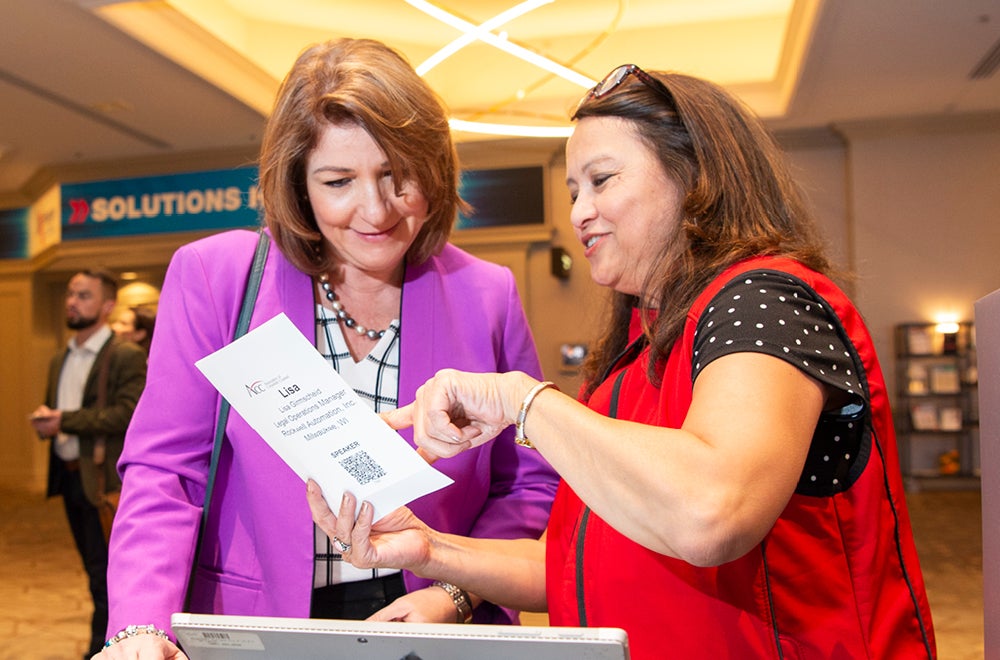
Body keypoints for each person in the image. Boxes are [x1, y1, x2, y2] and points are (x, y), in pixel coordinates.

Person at [309, 65, 938, 659]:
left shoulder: (761, 297)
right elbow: (569, 563)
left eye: (602, 181)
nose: (580, 212)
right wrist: (432, 550)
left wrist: (523, 402)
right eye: (574, 190)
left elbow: (711, 512)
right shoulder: (629, 362)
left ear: (695, 178)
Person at [96, 38, 558, 659]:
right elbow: (165, 474)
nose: (375, 210)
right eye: (339, 181)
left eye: (398, 177)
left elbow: (526, 487)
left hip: (432, 623)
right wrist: (140, 625)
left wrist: (455, 592)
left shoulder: (485, 294)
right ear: (298, 185)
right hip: (258, 622)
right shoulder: (218, 278)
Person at [30, 269, 147, 658]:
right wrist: (48, 425)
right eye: (70, 294)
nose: (72, 301)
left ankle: (102, 649)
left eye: (83, 295)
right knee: (92, 571)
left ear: (107, 305)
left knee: (107, 576)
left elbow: (127, 414)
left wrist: (63, 420)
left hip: (103, 486)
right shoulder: (60, 356)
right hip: (70, 481)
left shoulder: (124, 355)